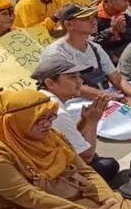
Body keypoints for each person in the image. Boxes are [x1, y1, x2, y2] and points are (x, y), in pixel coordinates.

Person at [37, 5, 131, 112]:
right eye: (86, 19)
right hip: (75, 103)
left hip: (104, 96)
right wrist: (120, 99)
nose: (93, 21)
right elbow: (76, 88)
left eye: (93, 17)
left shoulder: (94, 47)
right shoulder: (56, 53)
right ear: (69, 24)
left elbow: (116, 79)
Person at [32, 56, 119, 184]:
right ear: (50, 83)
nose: (80, 81)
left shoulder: (45, 99)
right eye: (72, 77)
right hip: (49, 176)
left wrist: (84, 120)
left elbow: (68, 140)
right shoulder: (55, 112)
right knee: (108, 164)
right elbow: (86, 156)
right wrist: (92, 122)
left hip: (45, 165)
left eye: (79, 76)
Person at [92, 0, 131, 64]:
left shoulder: (124, 13)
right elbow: (92, 43)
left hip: (125, 51)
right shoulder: (93, 18)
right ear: (110, 2)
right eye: (124, 1)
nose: (128, 4)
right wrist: (111, 31)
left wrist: (123, 30)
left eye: (128, 0)